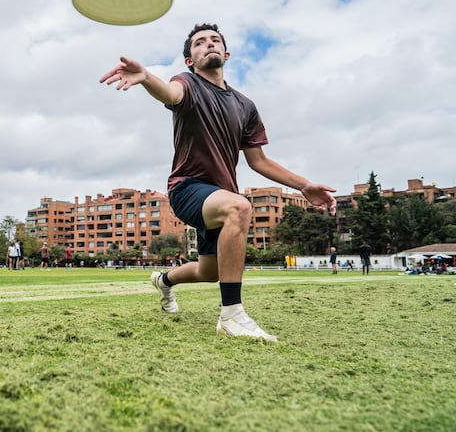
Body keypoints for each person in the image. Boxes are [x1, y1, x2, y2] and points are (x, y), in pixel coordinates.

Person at [100, 23, 337, 342]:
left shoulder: (245, 106)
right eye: (199, 43)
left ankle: (164, 281)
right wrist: (145, 78)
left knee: (209, 271)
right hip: (186, 189)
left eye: (215, 40)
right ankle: (232, 316)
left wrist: (304, 186)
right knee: (239, 207)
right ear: (189, 60)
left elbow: (259, 161)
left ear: (226, 53)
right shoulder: (186, 84)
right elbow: (170, 94)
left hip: (220, 196)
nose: (208, 44)